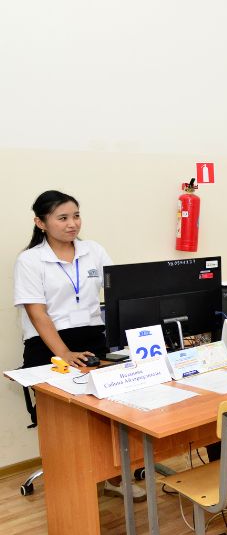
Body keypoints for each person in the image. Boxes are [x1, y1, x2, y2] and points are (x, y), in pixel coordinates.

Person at [13, 190, 146, 501]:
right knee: (66, 419)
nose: (72, 224)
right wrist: (64, 353)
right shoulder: (30, 260)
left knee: (109, 410)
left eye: (76, 216)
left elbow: (118, 294)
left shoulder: (93, 251)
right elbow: (37, 312)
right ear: (41, 223)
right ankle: (71, 486)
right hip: (47, 345)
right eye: (62, 218)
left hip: (92, 339)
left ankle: (113, 477)